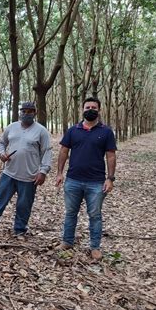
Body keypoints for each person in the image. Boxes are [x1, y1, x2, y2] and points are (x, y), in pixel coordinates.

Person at [55, 97, 117, 260]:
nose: (90, 109)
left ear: (99, 110)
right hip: (73, 180)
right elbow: (63, 151)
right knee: (70, 213)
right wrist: (59, 173)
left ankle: (95, 247)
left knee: (95, 215)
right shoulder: (73, 130)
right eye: (87, 107)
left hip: (96, 182)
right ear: (82, 109)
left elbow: (110, 156)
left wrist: (110, 178)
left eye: (94, 107)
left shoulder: (106, 132)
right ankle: (67, 241)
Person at [0, 102, 52, 236]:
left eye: (30, 111)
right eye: (24, 111)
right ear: (20, 112)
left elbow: (47, 151)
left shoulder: (41, 131)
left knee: (24, 205)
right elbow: (1, 142)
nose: (26, 114)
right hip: (9, 173)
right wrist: (1, 154)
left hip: (29, 176)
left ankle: (20, 229)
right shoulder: (12, 127)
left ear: (35, 113)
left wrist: (43, 171)